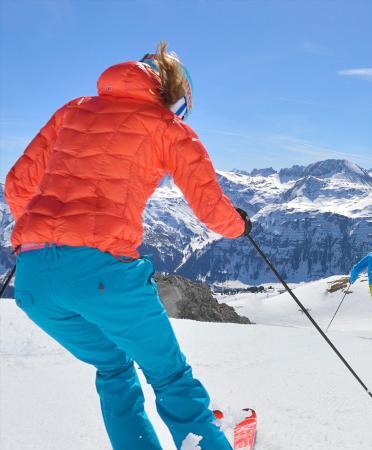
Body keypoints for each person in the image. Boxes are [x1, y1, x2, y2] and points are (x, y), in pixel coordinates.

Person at [4, 42, 251, 449]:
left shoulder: (73, 109)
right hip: (102, 274)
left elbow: (17, 185)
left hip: (33, 282)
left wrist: (42, 233)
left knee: (114, 367)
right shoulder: (168, 129)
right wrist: (240, 226)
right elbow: (210, 209)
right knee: (170, 378)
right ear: (174, 99)